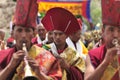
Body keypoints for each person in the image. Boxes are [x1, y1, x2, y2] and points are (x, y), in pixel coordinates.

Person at [0, 0, 52, 80]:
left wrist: (39, 73)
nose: (23, 36)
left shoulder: (47, 57)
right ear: (13, 33)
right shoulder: (3, 55)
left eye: (28, 31)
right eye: (19, 30)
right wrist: (10, 66)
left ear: (34, 34)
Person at [42, 7, 85, 80]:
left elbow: (80, 76)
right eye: (55, 34)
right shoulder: (45, 50)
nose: (57, 37)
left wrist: (67, 67)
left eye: (60, 34)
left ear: (67, 35)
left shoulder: (73, 54)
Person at [84, 0, 120, 80]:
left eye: (119, 30)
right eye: (111, 29)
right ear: (103, 31)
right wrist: (106, 62)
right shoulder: (94, 54)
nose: (116, 35)